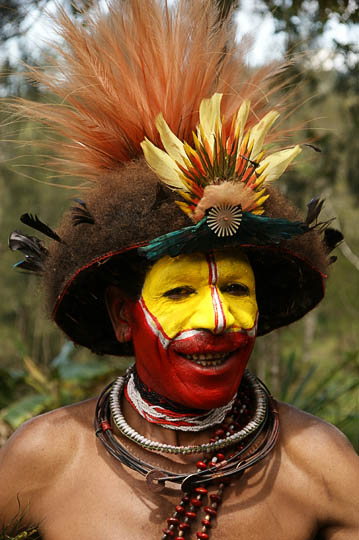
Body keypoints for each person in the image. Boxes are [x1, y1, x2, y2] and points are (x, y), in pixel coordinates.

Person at [1, 1, 358, 539]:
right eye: (180, 292)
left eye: (236, 288)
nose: (219, 318)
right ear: (124, 314)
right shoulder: (41, 463)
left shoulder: (322, 467)